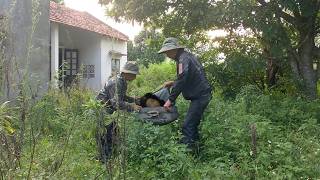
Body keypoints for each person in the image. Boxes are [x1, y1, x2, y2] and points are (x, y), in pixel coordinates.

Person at [158, 37, 212, 152]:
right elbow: (188, 77)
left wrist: (170, 100)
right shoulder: (186, 56)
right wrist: (173, 83)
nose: (167, 55)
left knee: (187, 125)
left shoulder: (182, 59)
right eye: (165, 52)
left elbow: (183, 78)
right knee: (192, 123)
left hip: (200, 96)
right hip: (202, 94)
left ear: (174, 49)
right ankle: (197, 150)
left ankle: (188, 154)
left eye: (167, 51)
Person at [96, 61, 141, 162]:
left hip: (110, 111)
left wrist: (133, 99)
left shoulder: (122, 81)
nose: (135, 77)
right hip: (104, 110)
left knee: (114, 133)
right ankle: (105, 160)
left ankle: (111, 155)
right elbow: (115, 102)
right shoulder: (116, 82)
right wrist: (132, 106)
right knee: (106, 135)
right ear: (126, 73)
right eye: (134, 74)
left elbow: (121, 97)